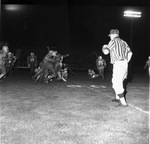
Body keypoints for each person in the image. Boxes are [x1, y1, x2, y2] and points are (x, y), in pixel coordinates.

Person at [102, 29, 133, 107]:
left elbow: (106, 52)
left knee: (117, 83)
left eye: (110, 36)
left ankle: (123, 103)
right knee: (116, 81)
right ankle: (117, 97)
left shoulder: (112, 41)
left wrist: (104, 47)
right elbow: (130, 53)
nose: (110, 37)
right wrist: (126, 62)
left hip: (118, 64)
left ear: (112, 35)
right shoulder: (124, 42)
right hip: (124, 64)